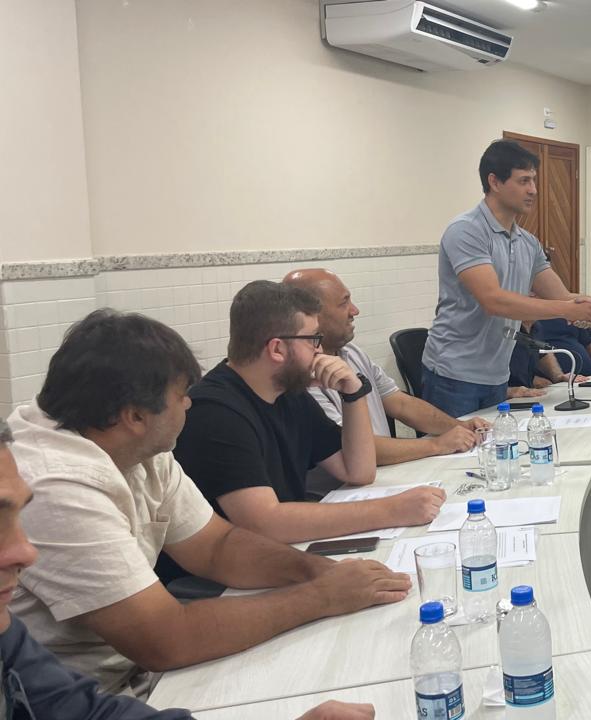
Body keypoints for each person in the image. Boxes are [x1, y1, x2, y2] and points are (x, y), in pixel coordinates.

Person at [5, 309, 408, 706]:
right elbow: (165, 639)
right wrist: (320, 596)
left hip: (138, 676)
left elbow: (217, 546)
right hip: (91, 699)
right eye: (181, 396)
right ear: (135, 416)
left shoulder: (133, 443)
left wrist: (317, 570)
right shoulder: (58, 483)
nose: (188, 405)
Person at [175, 281, 446, 544]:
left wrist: (352, 392)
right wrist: (391, 510)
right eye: (313, 340)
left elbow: (358, 471)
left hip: (283, 549)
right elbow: (264, 523)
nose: (320, 350)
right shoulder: (215, 413)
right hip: (233, 567)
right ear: (277, 349)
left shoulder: (288, 393)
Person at [421, 139, 591, 418]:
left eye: (533, 180)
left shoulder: (527, 242)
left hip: (497, 374)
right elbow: (493, 301)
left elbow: (563, 296)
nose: (533, 190)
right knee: (459, 446)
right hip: (454, 375)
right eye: (523, 181)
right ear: (494, 182)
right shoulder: (466, 230)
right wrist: (569, 310)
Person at [282, 269, 488, 475]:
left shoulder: (352, 353)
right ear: (312, 316)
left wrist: (458, 426)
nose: (355, 311)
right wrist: (436, 445)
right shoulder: (301, 379)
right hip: (345, 487)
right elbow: (352, 449)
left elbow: (401, 404)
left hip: (384, 473)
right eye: (344, 303)